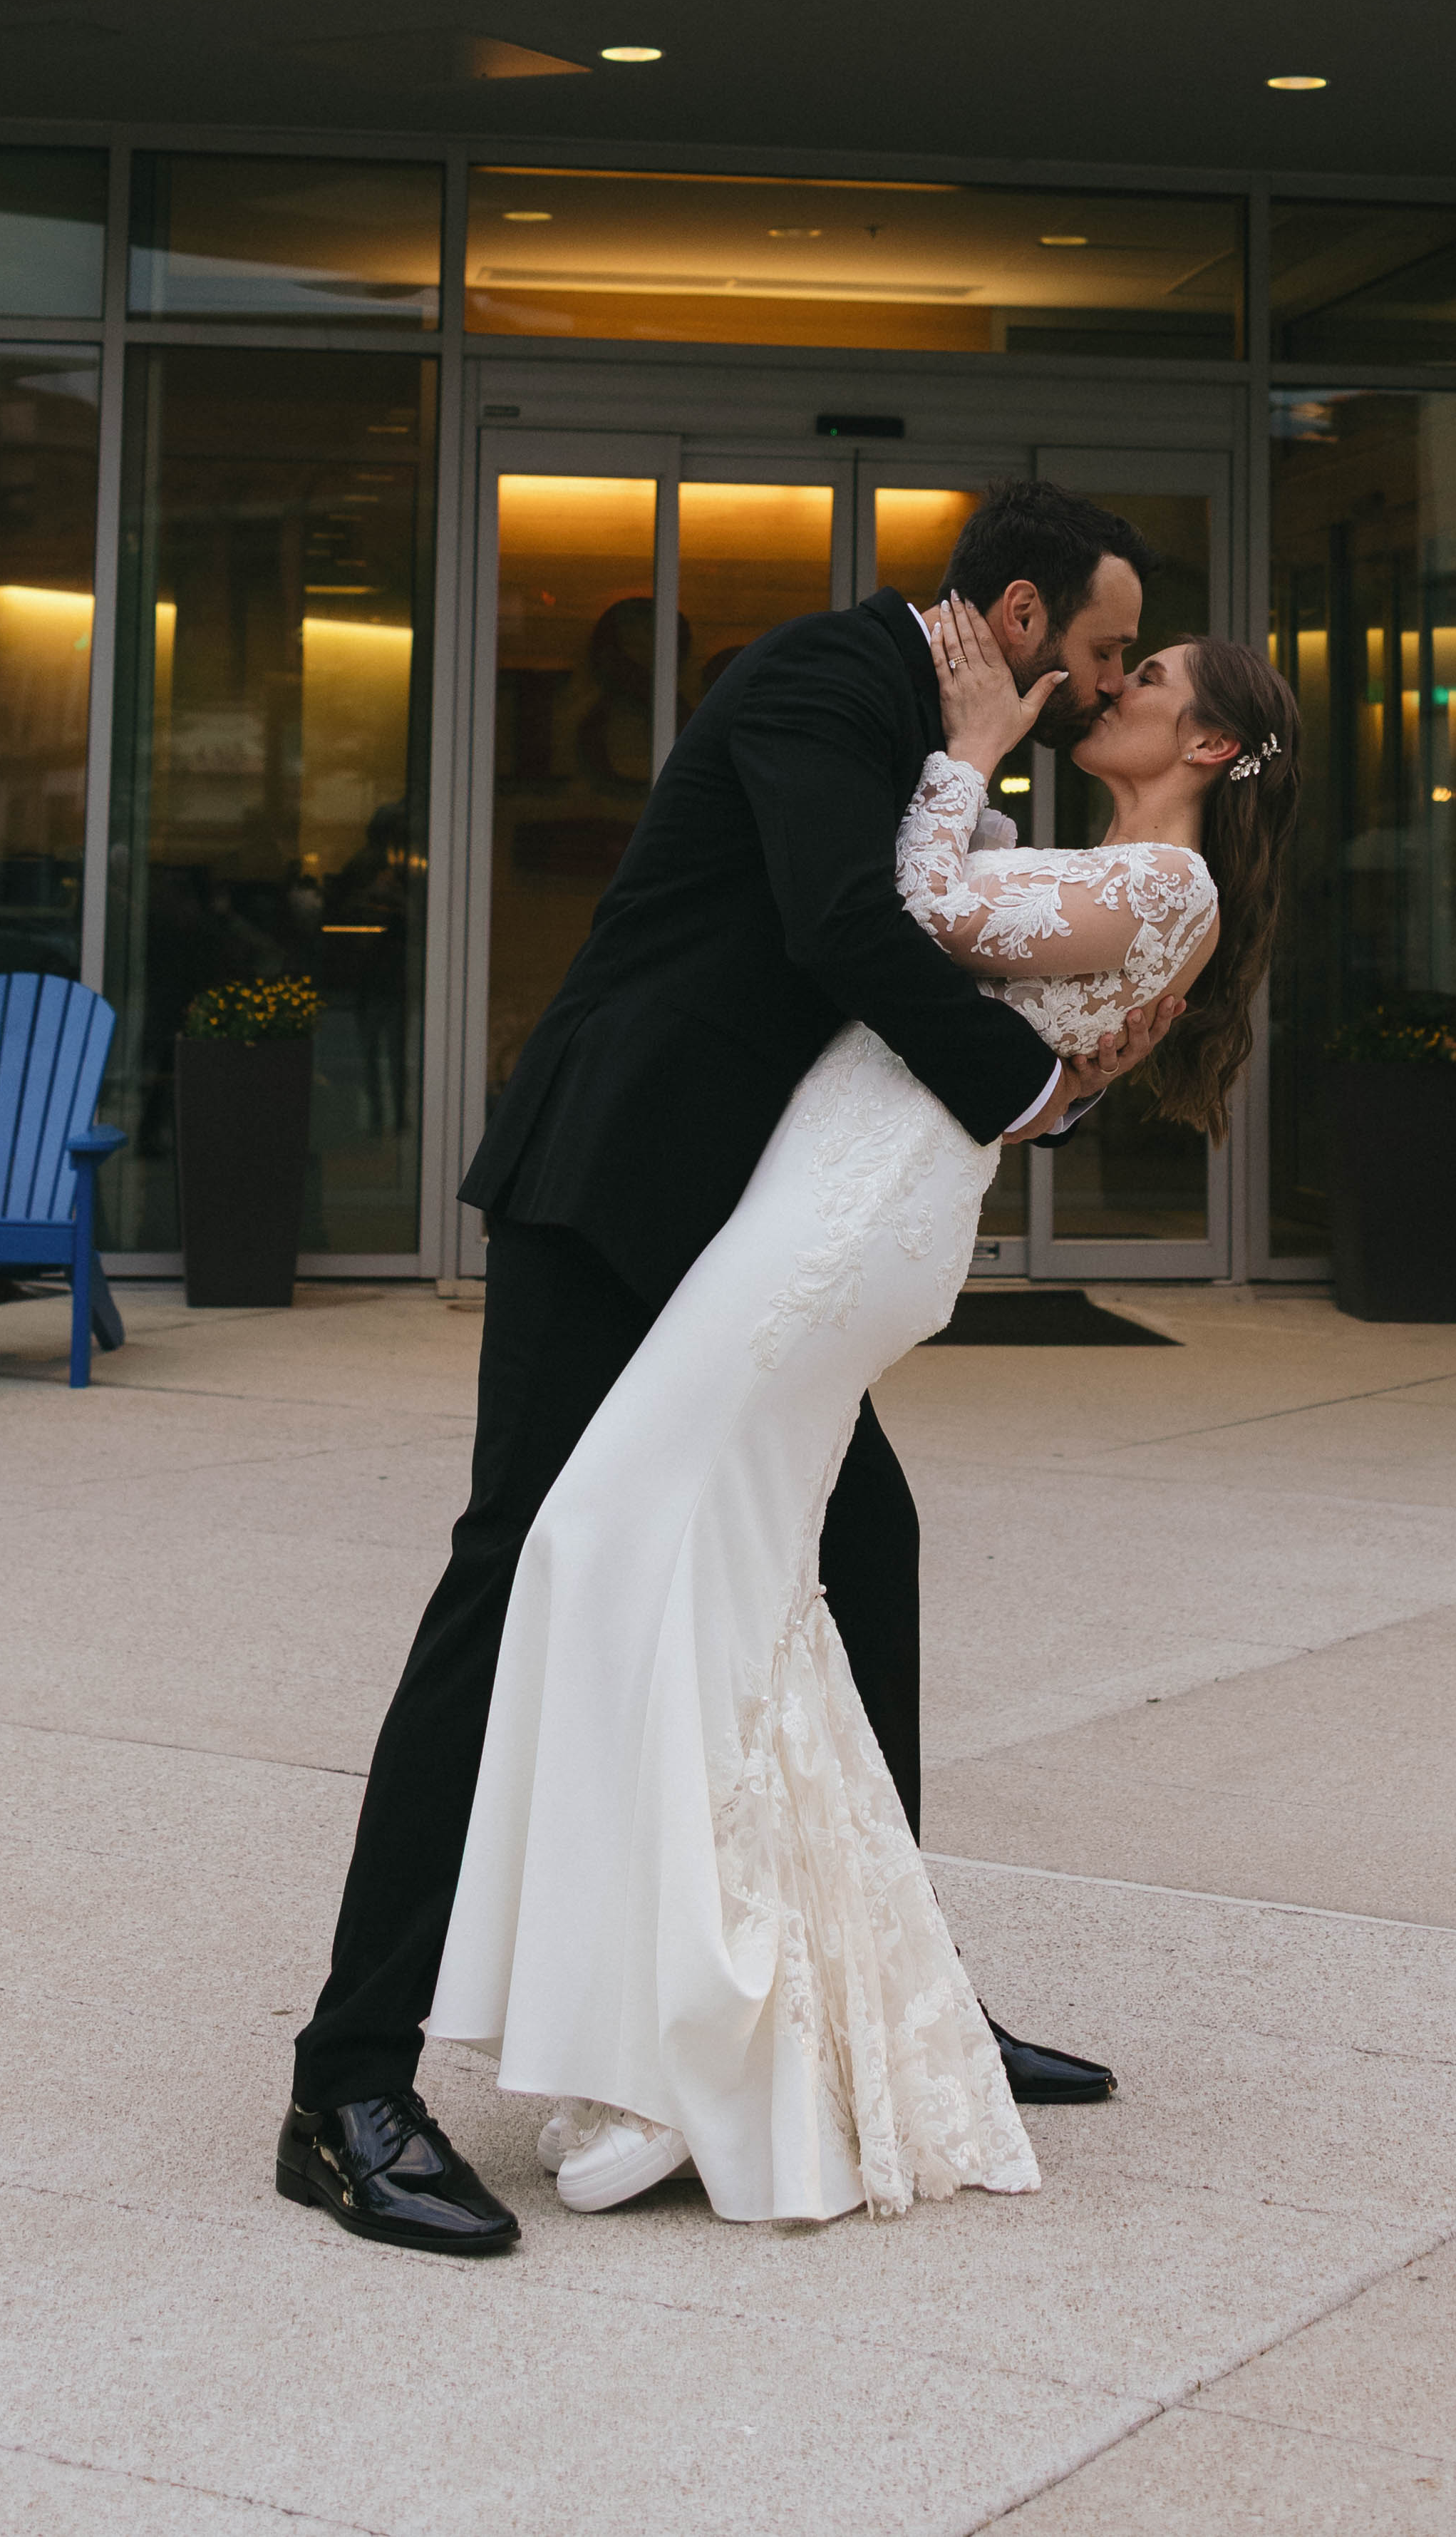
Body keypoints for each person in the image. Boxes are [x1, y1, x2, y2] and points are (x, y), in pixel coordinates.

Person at [276, 481, 1188, 2256]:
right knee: (511, 1575)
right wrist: (1024, 1096)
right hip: (616, 1188)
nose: (1104, 685)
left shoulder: (928, 723)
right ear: (1015, 619)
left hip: (738, 1230)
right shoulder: (824, 681)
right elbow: (845, 924)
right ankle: (345, 2083)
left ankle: (885, 1993)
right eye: (1092, 652)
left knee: (868, 1548)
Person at [432, 597, 1302, 2223]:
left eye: (1151, 679)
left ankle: (709, 2026)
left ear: (1208, 747)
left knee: (623, 1533)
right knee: (712, 1572)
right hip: (820, 1192)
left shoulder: (1160, 877)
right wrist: (970, 772)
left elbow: (909, 907)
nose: (1109, 686)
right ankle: (730, 2005)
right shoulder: (1107, 862)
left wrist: (964, 753)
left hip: (852, 1211)